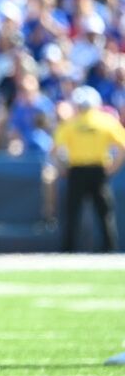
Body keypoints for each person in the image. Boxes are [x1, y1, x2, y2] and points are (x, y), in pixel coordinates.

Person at [52, 86, 125, 252]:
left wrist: (62, 167)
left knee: (72, 213)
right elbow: (122, 147)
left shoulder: (71, 124)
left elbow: (54, 150)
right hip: (98, 171)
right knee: (104, 212)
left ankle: (68, 249)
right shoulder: (106, 122)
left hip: (77, 171)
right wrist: (113, 167)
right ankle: (109, 248)